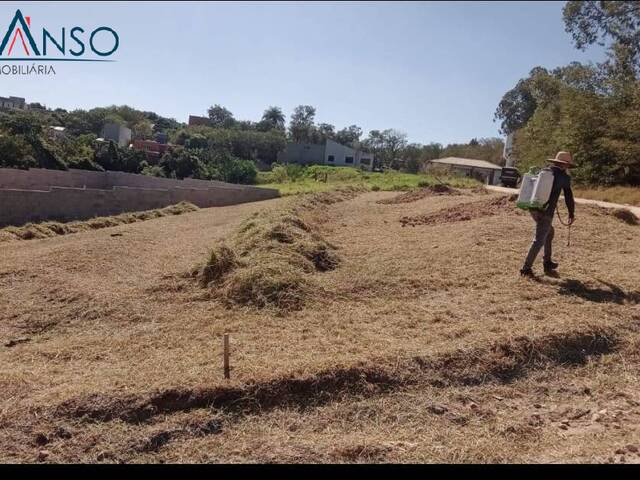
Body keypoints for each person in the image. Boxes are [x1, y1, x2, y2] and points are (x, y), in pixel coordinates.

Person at [520, 151, 576, 278]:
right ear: (565, 164)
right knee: (539, 239)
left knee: (549, 232)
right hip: (546, 212)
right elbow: (568, 196)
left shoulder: (544, 171)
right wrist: (571, 213)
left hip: (534, 208)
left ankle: (547, 262)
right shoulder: (564, 177)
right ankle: (526, 268)